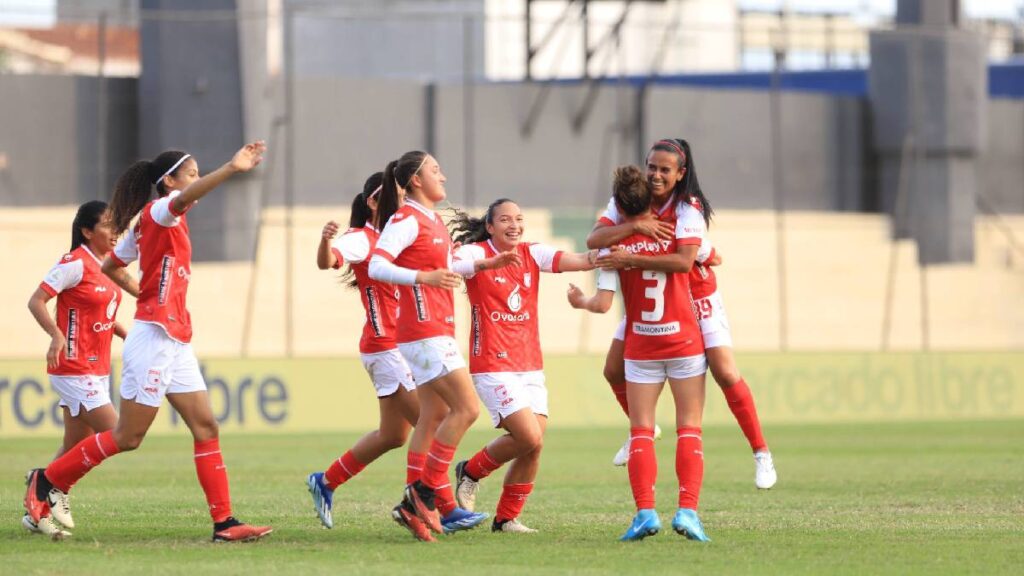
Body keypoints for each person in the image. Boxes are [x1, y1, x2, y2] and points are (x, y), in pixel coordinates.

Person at [23, 143, 273, 542]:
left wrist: (145, 292)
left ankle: (225, 523)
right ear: (169, 181)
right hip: (154, 336)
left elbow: (111, 266)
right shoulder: (162, 210)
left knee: (206, 426)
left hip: (174, 336)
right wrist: (231, 167)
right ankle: (46, 481)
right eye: (189, 173)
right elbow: (188, 196)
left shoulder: (147, 221)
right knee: (128, 437)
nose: (193, 180)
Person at [586, 138, 776, 489]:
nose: (656, 175)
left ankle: (761, 452)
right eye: (652, 167)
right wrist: (635, 227)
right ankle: (642, 430)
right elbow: (594, 239)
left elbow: (686, 261)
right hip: (648, 300)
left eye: (665, 170)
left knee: (725, 370)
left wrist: (630, 257)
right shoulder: (628, 201)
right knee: (612, 370)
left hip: (695, 296)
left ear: (679, 174)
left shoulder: (688, 208)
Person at [367, 151, 516, 541]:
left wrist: (485, 265)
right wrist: (424, 277)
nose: (443, 176)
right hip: (424, 330)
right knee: (466, 409)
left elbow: (448, 265)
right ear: (416, 179)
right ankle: (423, 495)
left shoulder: (431, 220)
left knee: (434, 415)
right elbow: (377, 265)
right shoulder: (405, 219)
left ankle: (417, 508)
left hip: (435, 329)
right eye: (435, 170)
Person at [570, 165, 710, 541]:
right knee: (689, 430)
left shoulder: (614, 248)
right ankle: (688, 512)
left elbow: (593, 243)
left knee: (642, 432)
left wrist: (626, 250)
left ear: (618, 207)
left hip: (642, 345)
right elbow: (702, 257)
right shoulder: (677, 232)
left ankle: (646, 513)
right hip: (683, 342)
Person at [447, 199, 596, 533]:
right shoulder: (475, 252)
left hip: (529, 365)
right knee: (527, 435)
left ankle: (506, 519)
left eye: (518, 219)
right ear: (489, 226)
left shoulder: (533, 253)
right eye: (504, 220)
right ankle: (470, 471)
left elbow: (579, 260)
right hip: (492, 364)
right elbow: (451, 265)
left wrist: (608, 257)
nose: (513, 225)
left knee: (534, 444)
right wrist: (487, 265)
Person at [305, 172, 421, 530]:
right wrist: (325, 243)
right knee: (432, 422)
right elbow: (329, 261)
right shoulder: (362, 239)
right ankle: (427, 505)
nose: (401, 202)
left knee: (393, 435)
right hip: (385, 347)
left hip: (402, 346)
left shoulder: (398, 239)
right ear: (373, 203)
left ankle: (325, 481)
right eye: (393, 196)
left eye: (404, 196)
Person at [23, 201, 129, 539]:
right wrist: (55, 335)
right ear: (87, 231)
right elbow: (36, 300)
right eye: (108, 225)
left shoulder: (108, 266)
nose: (116, 231)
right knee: (117, 432)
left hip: (97, 367)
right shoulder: (74, 263)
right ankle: (46, 484)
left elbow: (96, 312)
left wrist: (125, 332)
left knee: (74, 443)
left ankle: (38, 506)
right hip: (72, 367)